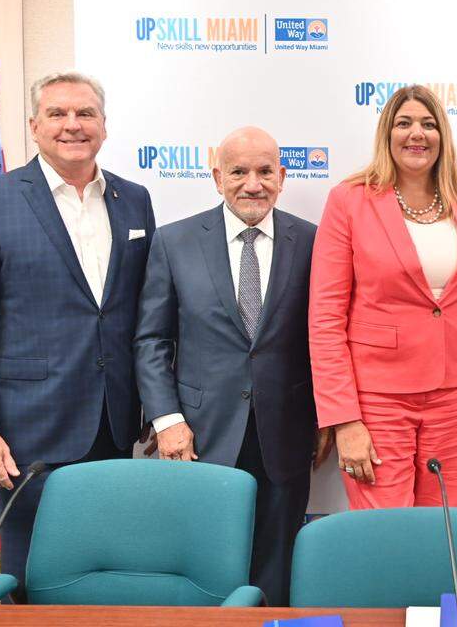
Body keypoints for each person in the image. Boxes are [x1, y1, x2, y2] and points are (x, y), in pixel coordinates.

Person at [0, 71, 155, 597]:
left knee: (109, 572)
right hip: (26, 432)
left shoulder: (135, 200)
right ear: (34, 126)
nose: (72, 125)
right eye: (57, 114)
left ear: (104, 126)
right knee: (35, 579)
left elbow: (146, 316)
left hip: (116, 423)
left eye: (85, 114)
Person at [134, 127, 330, 605]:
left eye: (265, 171)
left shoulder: (313, 242)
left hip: (285, 433)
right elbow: (152, 340)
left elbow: (326, 336)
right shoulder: (174, 241)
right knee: (204, 567)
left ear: (282, 177)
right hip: (197, 435)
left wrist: (328, 414)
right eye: (239, 172)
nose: (252, 183)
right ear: (217, 176)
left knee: (276, 568)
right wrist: (167, 420)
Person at [309, 84, 457, 509]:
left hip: (456, 396)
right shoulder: (350, 200)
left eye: (429, 125)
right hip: (377, 399)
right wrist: (343, 419)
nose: (417, 134)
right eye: (404, 123)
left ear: (442, 136)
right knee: (385, 534)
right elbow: (325, 317)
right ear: (386, 134)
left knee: (442, 528)